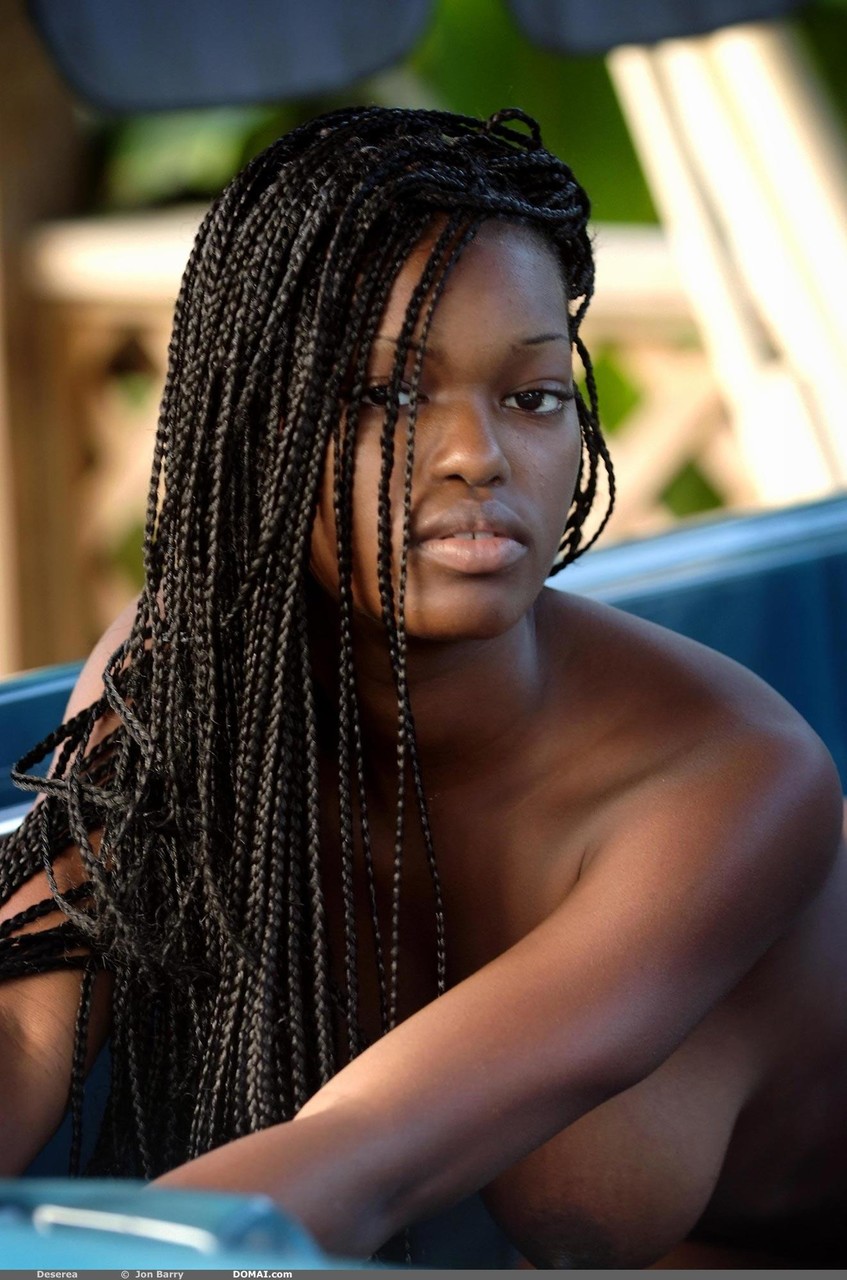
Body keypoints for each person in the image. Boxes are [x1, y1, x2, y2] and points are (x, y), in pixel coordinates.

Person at [1, 105, 845, 1270]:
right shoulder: (182, 684)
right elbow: (24, 1014)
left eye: (532, 395)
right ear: (255, 426)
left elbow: (366, 1150)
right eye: (391, 396)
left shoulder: (728, 781)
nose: (476, 456)